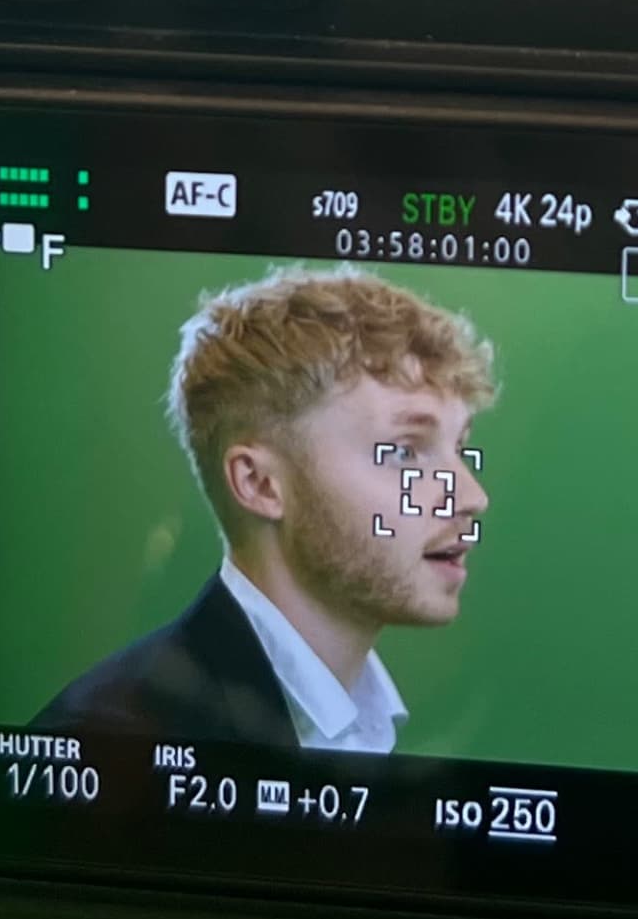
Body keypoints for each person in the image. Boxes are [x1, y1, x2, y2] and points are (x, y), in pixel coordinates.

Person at [36, 266, 497, 755]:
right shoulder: (112, 742)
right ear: (259, 484)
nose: (471, 495)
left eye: (461, 446)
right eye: (405, 451)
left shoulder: (403, 716)